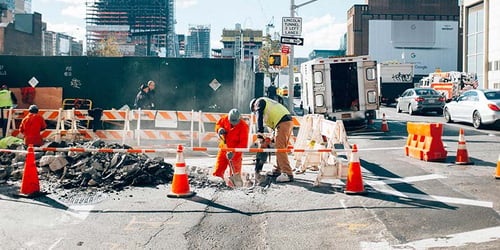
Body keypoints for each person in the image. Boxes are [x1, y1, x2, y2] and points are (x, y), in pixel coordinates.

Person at [250, 97, 294, 182]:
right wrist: (270, 138)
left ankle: (288, 173)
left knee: (280, 148)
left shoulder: (259, 102)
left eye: (254, 110)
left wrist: (260, 132)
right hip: (285, 121)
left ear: (253, 106)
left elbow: (259, 115)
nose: (256, 112)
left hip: (283, 122)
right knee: (279, 146)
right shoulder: (268, 106)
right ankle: (278, 169)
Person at [211, 109, 249, 181]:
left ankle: (234, 189)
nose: (233, 124)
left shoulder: (243, 126)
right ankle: (216, 184)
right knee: (218, 171)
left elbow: (243, 144)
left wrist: (233, 152)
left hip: (235, 154)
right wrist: (219, 129)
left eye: (235, 122)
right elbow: (218, 124)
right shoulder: (225, 118)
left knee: (235, 174)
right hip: (224, 149)